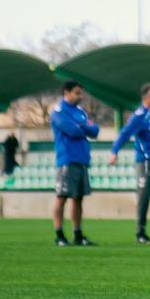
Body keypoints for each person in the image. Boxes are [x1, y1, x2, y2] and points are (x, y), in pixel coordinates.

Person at [109, 84, 150, 244]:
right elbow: (125, 133)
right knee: (144, 196)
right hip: (145, 161)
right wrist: (114, 151)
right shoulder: (139, 116)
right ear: (145, 98)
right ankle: (140, 232)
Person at [51, 81, 100, 247]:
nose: (81, 96)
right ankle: (59, 235)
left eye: (81, 93)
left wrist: (82, 126)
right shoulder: (58, 111)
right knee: (62, 197)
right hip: (67, 159)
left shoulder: (80, 112)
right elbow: (73, 131)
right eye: (77, 93)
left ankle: (78, 234)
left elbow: (95, 131)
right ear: (67, 93)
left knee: (78, 198)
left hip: (82, 159)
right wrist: (83, 127)